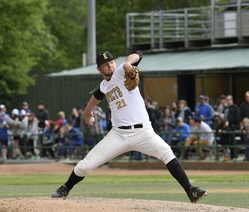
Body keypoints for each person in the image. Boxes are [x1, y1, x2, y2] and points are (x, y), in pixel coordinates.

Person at [51, 51, 208, 203]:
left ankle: (191, 190)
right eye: (105, 64)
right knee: (86, 165)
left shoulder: (120, 71)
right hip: (118, 135)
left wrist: (127, 63)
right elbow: (95, 97)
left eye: (111, 62)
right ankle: (65, 187)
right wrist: (87, 113)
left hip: (142, 132)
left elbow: (138, 54)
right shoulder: (104, 86)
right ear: (99, 69)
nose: (110, 66)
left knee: (166, 152)